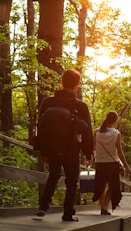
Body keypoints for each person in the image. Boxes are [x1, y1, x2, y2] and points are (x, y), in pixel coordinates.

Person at [34, 69, 93, 221]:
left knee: (53, 175)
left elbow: (40, 126)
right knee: (72, 181)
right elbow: (87, 131)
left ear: (61, 82)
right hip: (71, 150)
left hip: (51, 148)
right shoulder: (81, 106)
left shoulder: (48, 102)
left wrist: (41, 149)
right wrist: (88, 153)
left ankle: (43, 206)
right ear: (77, 85)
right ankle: (68, 213)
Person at [92, 111, 131, 215]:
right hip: (112, 163)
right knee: (113, 186)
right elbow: (119, 151)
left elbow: (93, 147)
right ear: (115, 121)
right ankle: (104, 207)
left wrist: (90, 158)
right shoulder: (116, 133)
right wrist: (127, 167)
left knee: (101, 185)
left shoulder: (96, 132)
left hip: (100, 162)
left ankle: (102, 207)